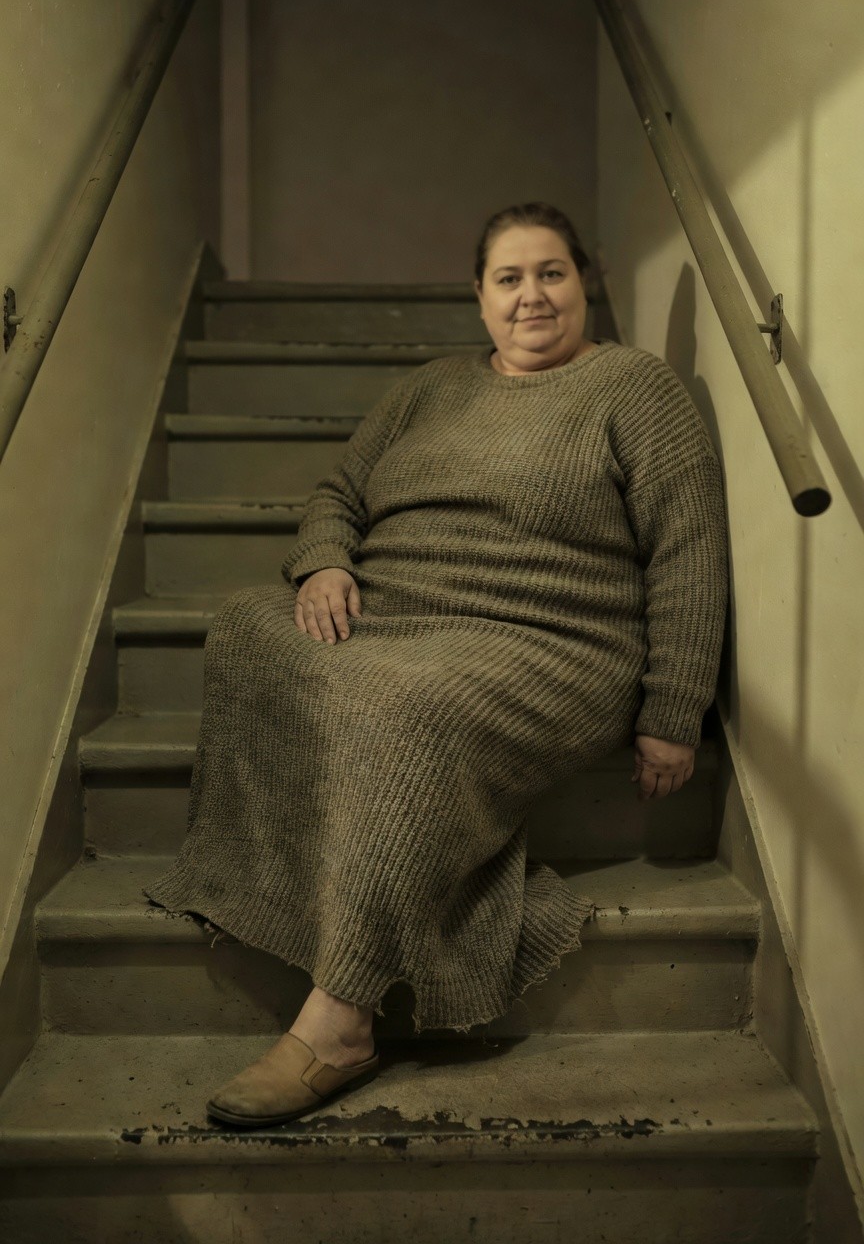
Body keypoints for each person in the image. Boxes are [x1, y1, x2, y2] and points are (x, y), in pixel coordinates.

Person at [144, 200, 729, 1128]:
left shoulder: (635, 388)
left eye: (551, 273)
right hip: (400, 613)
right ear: (479, 297)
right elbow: (338, 490)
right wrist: (328, 559)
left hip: (551, 640)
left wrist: (674, 708)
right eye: (509, 277)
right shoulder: (429, 388)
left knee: (405, 709)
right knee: (250, 628)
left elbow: (689, 548)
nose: (531, 295)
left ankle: (341, 1023)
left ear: (585, 284)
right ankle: (292, 890)